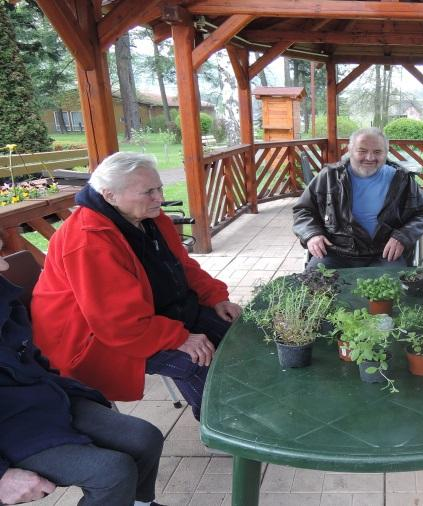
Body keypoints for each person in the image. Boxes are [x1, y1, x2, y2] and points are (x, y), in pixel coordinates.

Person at [31, 152, 242, 421]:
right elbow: (116, 323)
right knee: (199, 361)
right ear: (110, 196)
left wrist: (215, 297)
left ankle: (243, 404)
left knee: (236, 336)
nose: (160, 198)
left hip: (152, 314)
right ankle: (221, 427)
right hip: (93, 338)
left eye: (160, 188)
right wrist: (179, 338)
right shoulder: (88, 241)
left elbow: (181, 265)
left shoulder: (147, 216)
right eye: (149, 192)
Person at [0, 240, 165, 506]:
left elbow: (28, 354)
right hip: (9, 426)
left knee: (145, 438)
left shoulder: (3, 293)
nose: (5, 264)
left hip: (38, 399)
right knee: (113, 471)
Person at [293, 127, 423, 269]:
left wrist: (403, 236)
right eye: (362, 151)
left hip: (384, 253)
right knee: (314, 286)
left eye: (377, 152)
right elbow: (303, 210)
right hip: (336, 251)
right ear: (350, 151)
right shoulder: (329, 177)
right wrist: (312, 234)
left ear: (386, 153)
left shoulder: (401, 180)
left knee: (394, 290)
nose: (370, 158)